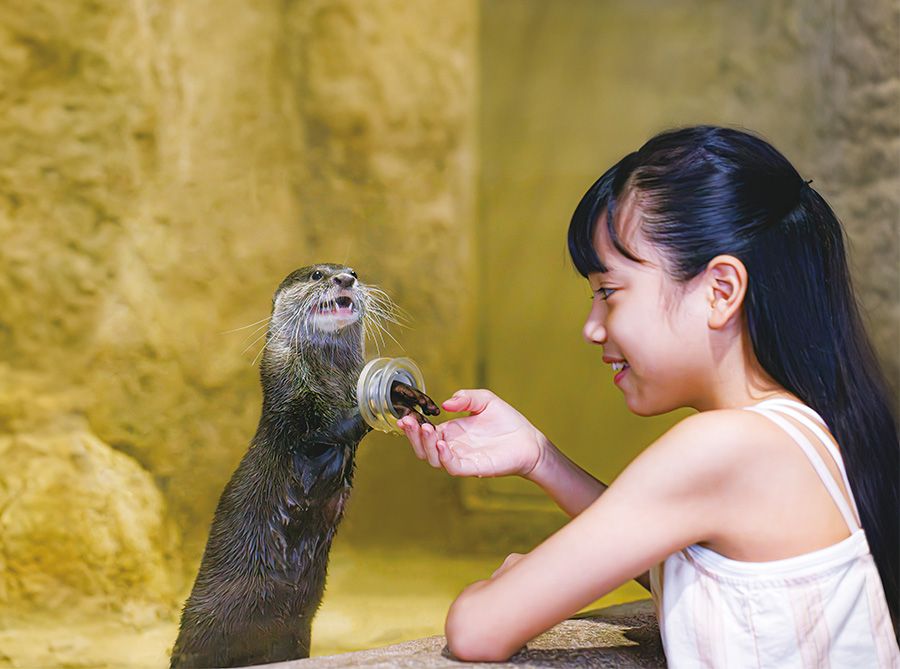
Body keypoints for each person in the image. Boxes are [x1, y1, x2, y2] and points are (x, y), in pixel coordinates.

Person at [396, 126, 900, 667]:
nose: (593, 327)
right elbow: (683, 557)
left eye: (608, 292)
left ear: (720, 291)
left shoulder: (726, 444)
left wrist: (517, 583)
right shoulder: (803, 427)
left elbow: (478, 630)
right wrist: (540, 458)